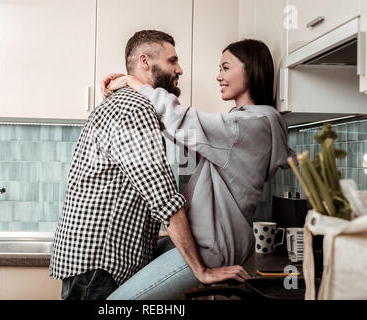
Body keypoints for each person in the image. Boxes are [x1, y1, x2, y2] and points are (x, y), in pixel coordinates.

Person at [49, 30, 250, 300]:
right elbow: (164, 198)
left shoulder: (125, 104)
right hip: (99, 269)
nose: (180, 69)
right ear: (145, 62)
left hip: (93, 266)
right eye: (172, 61)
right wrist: (201, 270)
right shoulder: (134, 108)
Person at [101, 38, 294, 299]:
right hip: (207, 239)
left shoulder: (250, 124)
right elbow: (186, 135)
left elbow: (185, 122)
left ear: (250, 68)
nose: (218, 76)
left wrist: (134, 83)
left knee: (116, 304)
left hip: (210, 246)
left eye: (225, 68)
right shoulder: (245, 124)